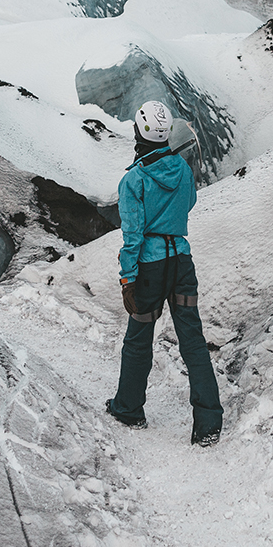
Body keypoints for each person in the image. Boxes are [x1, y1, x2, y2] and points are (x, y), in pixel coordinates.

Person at [105, 100, 223, 446]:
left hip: (151, 268)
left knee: (139, 339)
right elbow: (188, 204)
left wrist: (128, 278)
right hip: (181, 262)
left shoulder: (134, 180)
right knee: (193, 341)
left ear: (140, 131)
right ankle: (208, 423)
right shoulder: (183, 169)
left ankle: (128, 408)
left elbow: (133, 236)